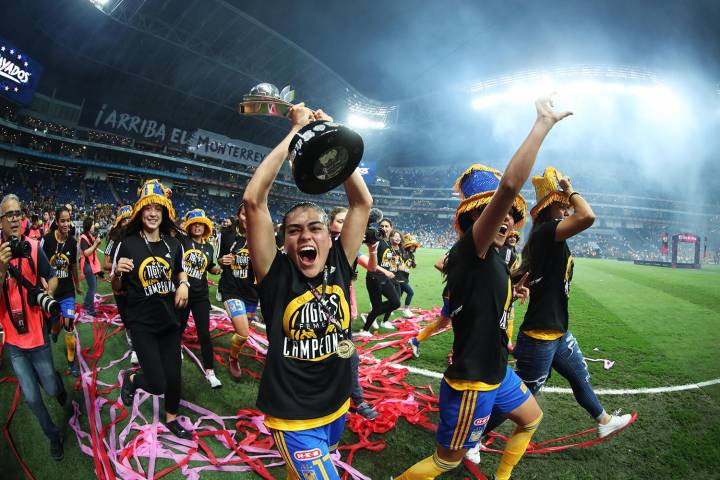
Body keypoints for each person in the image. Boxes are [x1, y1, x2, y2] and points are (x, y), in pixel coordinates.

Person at [396, 96, 570, 480]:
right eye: (496, 212)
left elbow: (486, 294)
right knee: (446, 461)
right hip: (473, 381)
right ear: (477, 219)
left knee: (531, 418)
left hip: (497, 371)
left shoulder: (491, 257)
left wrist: (513, 291)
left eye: (510, 214)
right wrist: (542, 123)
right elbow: (509, 185)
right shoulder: (473, 248)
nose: (506, 217)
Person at [243, 103, 372, 479]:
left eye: (315, 228)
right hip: (293, 416)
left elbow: (362, 203)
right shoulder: (276, 274)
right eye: (294, 230)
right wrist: (297, 132)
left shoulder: (340, 262)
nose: (305, 236)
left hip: (337, 406)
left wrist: (333, 135)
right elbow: (254, 201)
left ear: (330, 237)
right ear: (283, 241)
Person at [514, 166, 632, 437]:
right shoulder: (547, 231)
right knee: (523, 396)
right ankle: (473, 438)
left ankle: (604, 421)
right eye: (563, 206)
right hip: (540, 333)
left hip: (557, 330)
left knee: (579, 375)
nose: (567, 211)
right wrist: (569, 190)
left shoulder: (550, 236)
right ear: (549, 208)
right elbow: (587, 216)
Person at [113, 179, 192, 440]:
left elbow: (180, 270)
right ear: (140, 211)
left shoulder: (173, 244)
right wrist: (117, 273)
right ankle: (133, 380)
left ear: (165, 213)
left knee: (174, 376)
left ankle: (171, 419)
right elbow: (117, 288)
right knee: (157, 384)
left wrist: (183, 284)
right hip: (142, 324)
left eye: (158, 208)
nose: (153, 213)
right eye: (148, 208)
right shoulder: (128, 244)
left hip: (169, 321)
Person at [0, 194, 67, 461]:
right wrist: (1, 269)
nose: (15, 219)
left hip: (38, 339)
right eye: (9, 215)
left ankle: (57, 386)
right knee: (31, 399)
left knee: (50, 389)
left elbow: (53, 277)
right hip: (15, 345)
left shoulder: (34, 247)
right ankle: (53, 435)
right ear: (1, 222)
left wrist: (48, 293)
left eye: (18, 213)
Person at [328, 206, 379, 420]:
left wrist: (373, 249)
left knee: (349, 356)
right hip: (315, 309)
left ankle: (356, 400)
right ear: (330, 223)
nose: (344, 225)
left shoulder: (349, 247)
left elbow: (371, 267)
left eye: (347, 222)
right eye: (340, 221)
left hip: (340, 311)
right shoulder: (321, 242)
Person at [178, 208, 223, 388]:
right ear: (189, 226)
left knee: (204, 334)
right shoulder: (182, 241)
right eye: (194, 224)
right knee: (178, 327)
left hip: (200, 296)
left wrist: (216, 269)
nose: (197, 227)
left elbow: (210, 266)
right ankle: (176, 347)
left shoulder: (209, 247)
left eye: (201, 224)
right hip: (183, 293)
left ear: (206, 227)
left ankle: (210, 371)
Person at [217, 203, 258, 380]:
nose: (247, 217)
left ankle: (233, 355)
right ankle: (233, 360)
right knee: (243, 332)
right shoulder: (226, 234)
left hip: (251, 292)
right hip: (231, 289)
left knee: (242, 336)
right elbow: (219, 258)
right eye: (244, 214)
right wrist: (222, 260)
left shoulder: (260, 235)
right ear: (238, 215)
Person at [42, 206, 82, 376]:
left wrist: (77, 285)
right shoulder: (47, 240)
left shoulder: (73, 243)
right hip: (52, 293)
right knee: (55, 326)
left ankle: (71, 362)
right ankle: (55, 330)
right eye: (62, 221)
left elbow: (73, 266)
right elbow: (40, 265)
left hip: (67, 293)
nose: (66, 224)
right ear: (57, 222)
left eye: (68, 220)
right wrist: (44, 283)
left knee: (69, 324)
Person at [103, 205, 136, 365]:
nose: (127, 222)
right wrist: (119, 267)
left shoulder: (136, 237)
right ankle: (131, 337)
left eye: (130, 219)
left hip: (134, 285)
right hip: (119, 283)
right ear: (119, 222)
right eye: (124, 220)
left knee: (136, 315)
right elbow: (106, 264)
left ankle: (136, 345)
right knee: (126, 317)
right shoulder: (114, 239)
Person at [359, 220, 402, 335]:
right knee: (379, 306)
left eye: (387, 226)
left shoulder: (388, 243)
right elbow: (370, 261)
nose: (384, 228)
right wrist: (386, 271)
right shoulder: (377, 240)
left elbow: (388, 260)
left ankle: (371, 315)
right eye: (382, 226)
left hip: (384, 279)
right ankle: (365, 330)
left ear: (391, 228)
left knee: (395, 303)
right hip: (373, 278)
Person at [79, 218, 102, 317]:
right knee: (93, 288)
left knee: (92, 287)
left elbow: (93, 250)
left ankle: (86, 305)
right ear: (88, 226)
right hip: (88, 265)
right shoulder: (83, 237)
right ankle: (91, 311)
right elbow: (86, 253)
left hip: (91, 265)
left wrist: (97, 243)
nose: (94, 226)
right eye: (92, 224)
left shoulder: (89, 236)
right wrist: (95, 243)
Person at [397, 233, 420, 318]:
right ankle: (406, 309)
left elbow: (412, 266)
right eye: (412, 245)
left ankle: (388, 308)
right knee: (410, 292)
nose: (413, 247)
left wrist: (414, 264)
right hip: (399, 277)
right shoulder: (402, 252)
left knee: (398, 296)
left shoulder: (412, 255)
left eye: (414, 246)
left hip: (405, 277)